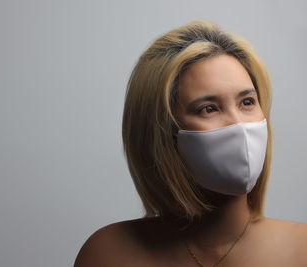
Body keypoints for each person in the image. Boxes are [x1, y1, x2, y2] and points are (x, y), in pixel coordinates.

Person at [74, 20, 307, 267]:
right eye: (209, 109)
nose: (238, 124)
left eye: (247, 102)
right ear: (164, 131)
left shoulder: (301, 250)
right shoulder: (107, 254)